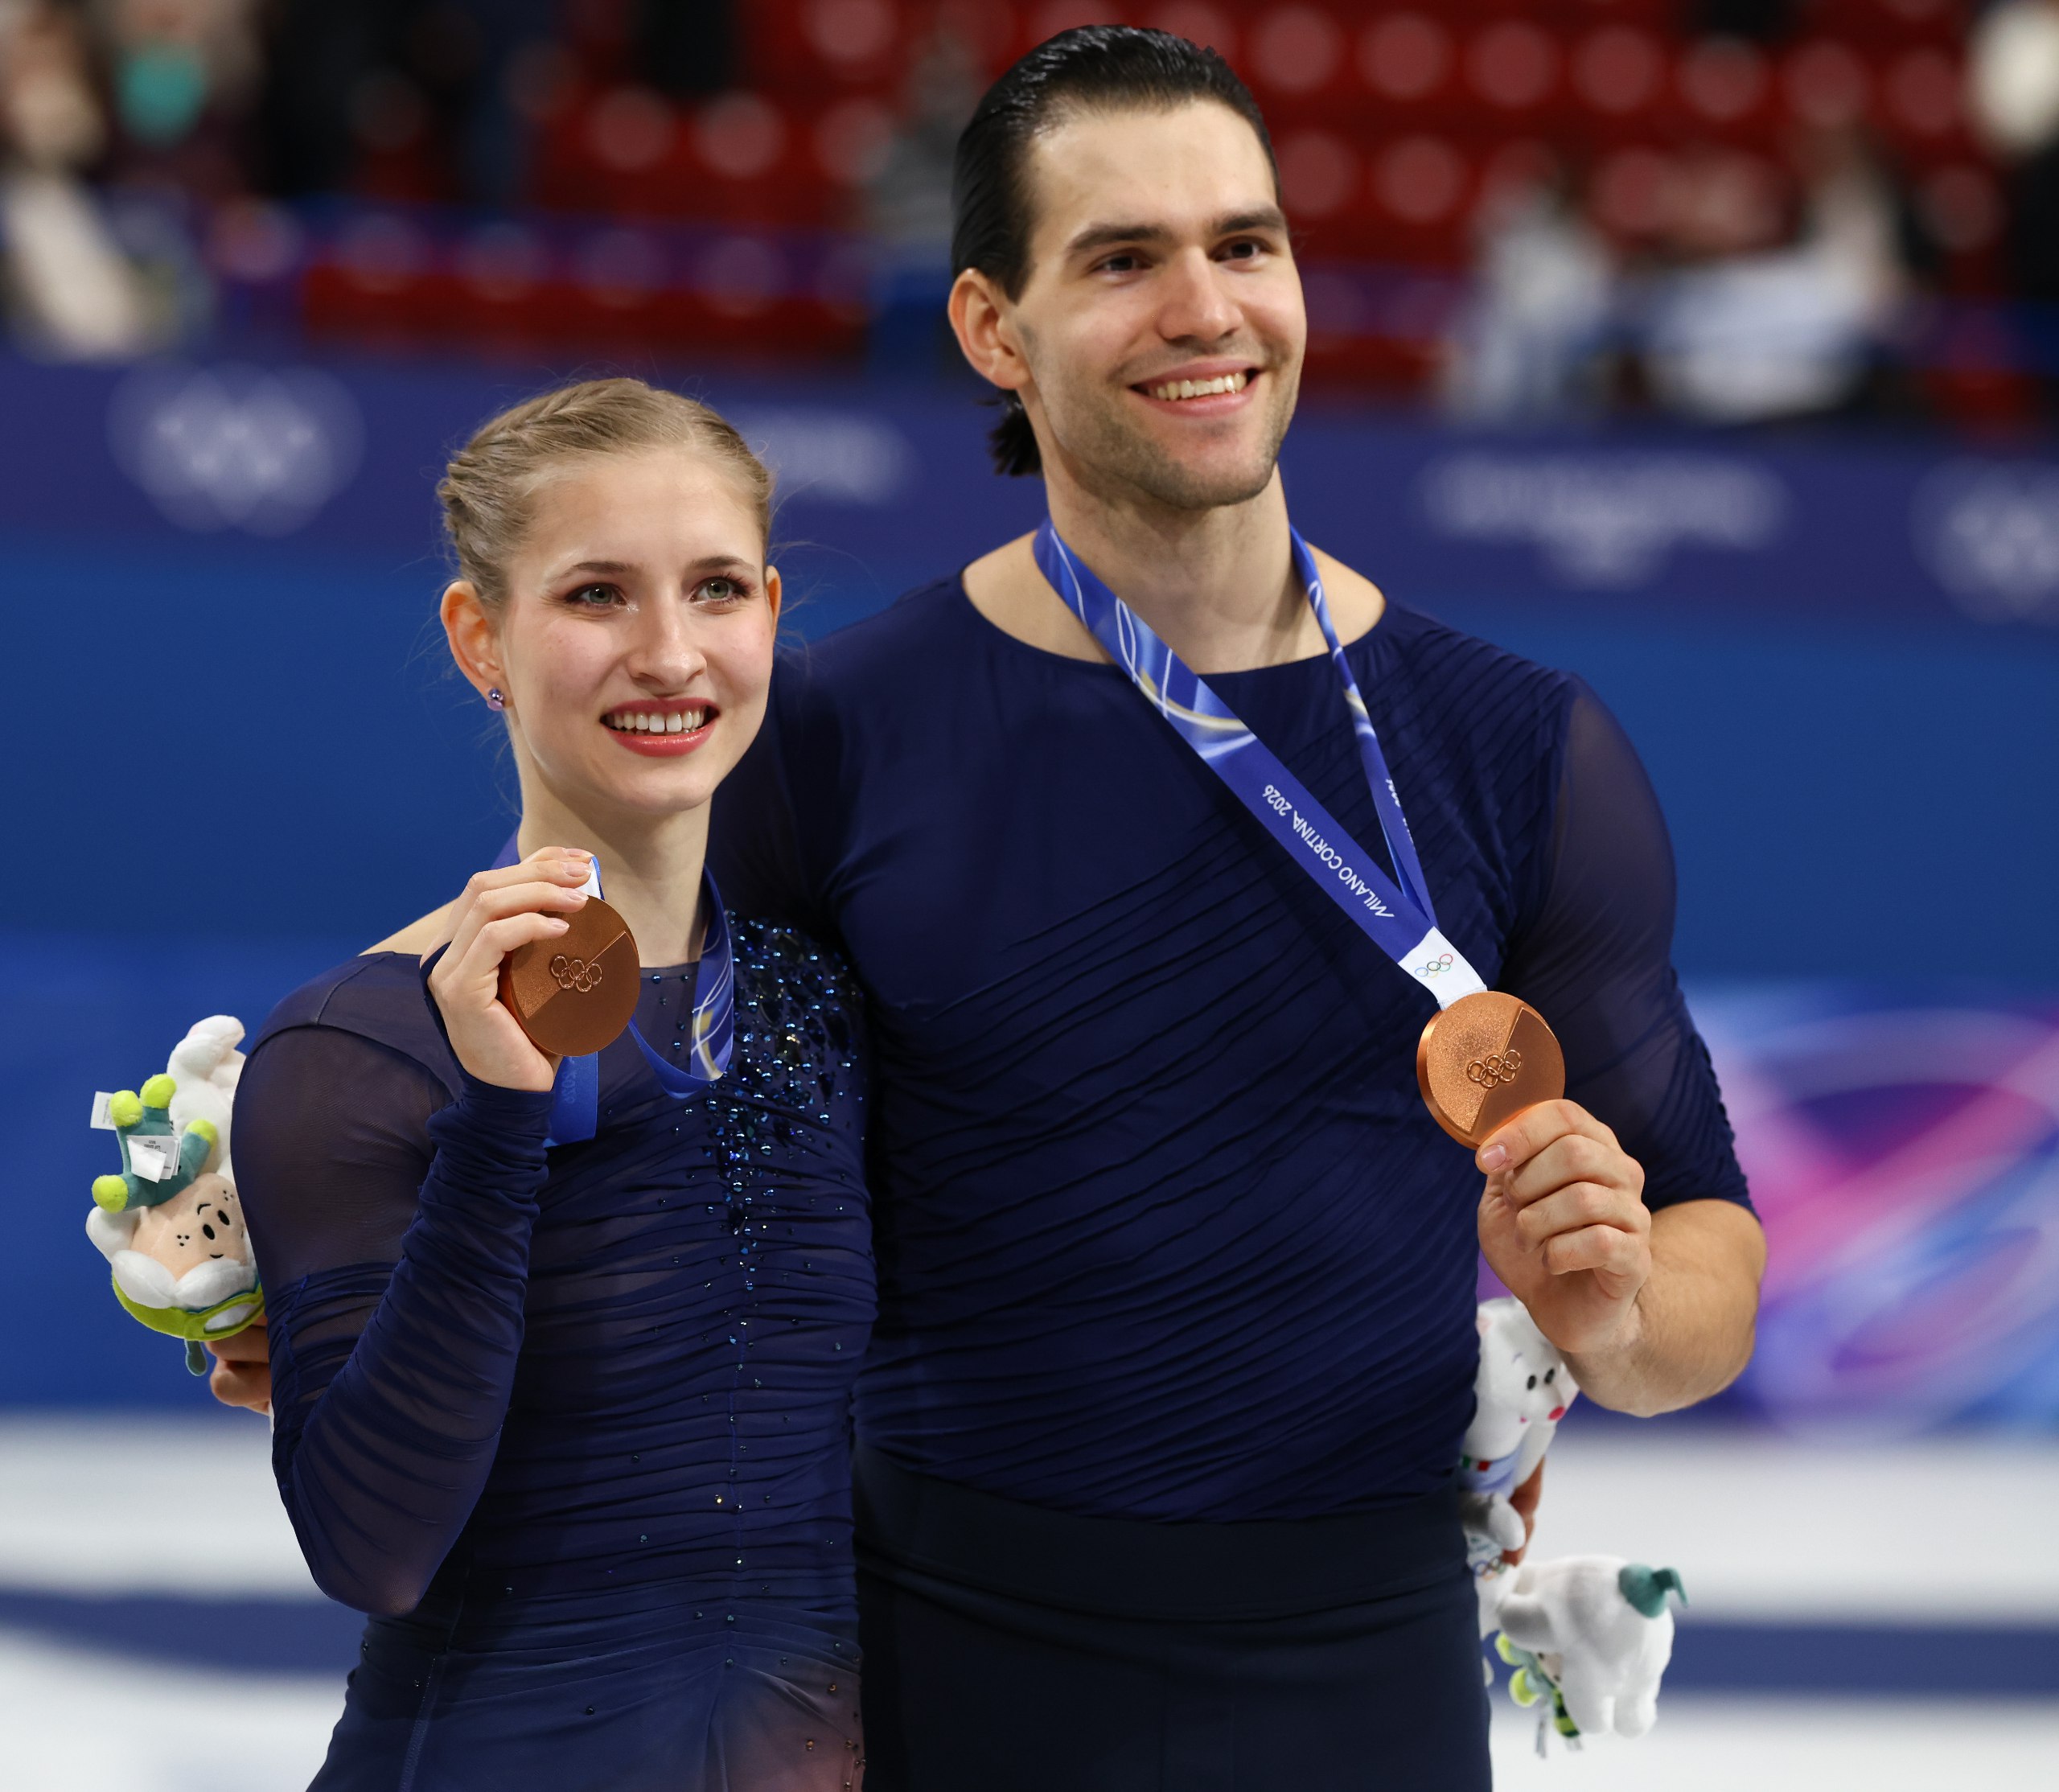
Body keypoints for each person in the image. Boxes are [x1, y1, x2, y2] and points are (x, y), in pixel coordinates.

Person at [707, 28, 1765, 1792]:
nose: (1205, 308)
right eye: (1123, 259)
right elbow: (687, 1203)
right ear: (992, 327)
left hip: (1363, 1672)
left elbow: (1702, 1259)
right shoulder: (825, 740)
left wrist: (1615, 1309)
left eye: (1243, 244)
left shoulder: (1518, 745)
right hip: (935, 1648)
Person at [228, 378, 873, 1790]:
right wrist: (500, 1123)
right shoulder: (357, 1044)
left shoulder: (832, 1003)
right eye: (596, 595)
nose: (670, 653)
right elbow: (371, 1552)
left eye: (715, 589)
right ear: (483, 638)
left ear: (770, 614)